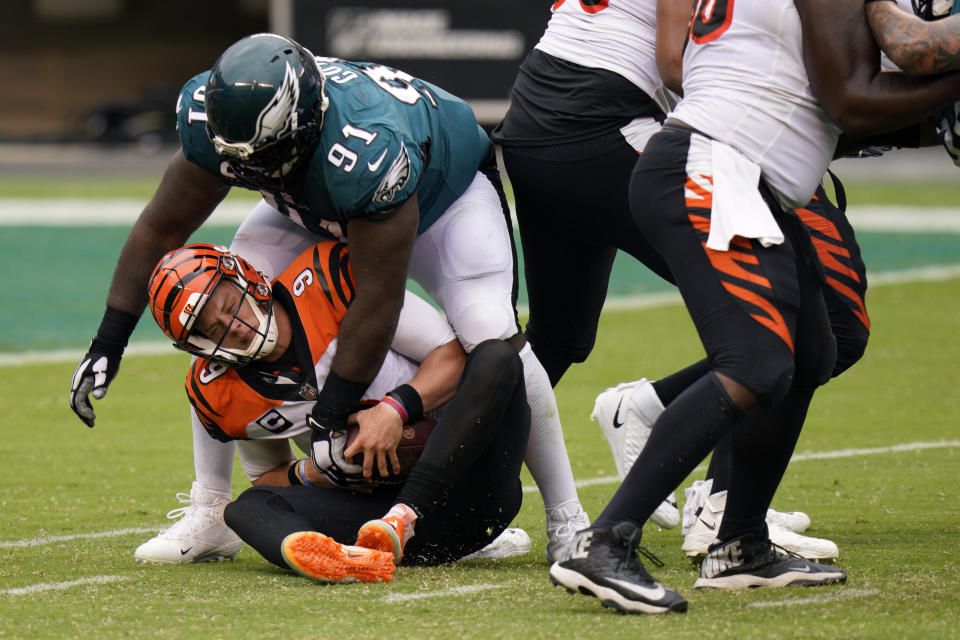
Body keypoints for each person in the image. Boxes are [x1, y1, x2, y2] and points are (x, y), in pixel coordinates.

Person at [68, 33, 587, 563]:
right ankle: (211, 508)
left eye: (266, 157)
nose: (256, 172)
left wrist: (331, 420)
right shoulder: (215, 119)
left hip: (440, 196)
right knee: (218, 301)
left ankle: (567, 518)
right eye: (244, 162)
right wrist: (109, 340)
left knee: (490, 330)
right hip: (319, 194)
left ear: (301, 124)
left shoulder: (368, 148)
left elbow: (377, 302)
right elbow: (162, 227)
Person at [548, 0, 960, 614]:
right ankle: (606, 540)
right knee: (755, 364)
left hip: (734, 170)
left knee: (813, 348)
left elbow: (816, 98)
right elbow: (852, 101)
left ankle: (739, 543)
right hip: (716, 169)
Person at [492, 0, 850, 558]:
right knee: (778, 324)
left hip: (539, 117)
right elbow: (674, 63)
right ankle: (721, 510)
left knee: (558, 337)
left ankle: (440, 491)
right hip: (601, 123)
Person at [144, 241, 531, 582]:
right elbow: (266, 478)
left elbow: (453, 357)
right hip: (371, 521)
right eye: (211, 329)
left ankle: (405, 516)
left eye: (229, 306)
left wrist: (395, 409)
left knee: (496, 356)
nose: (234, 326)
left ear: (247, 278)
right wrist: (313, 471)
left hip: (470, 488)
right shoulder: (224, 391)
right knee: (247, 507)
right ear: (197, 345)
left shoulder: (327, 279)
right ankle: (341, 559)